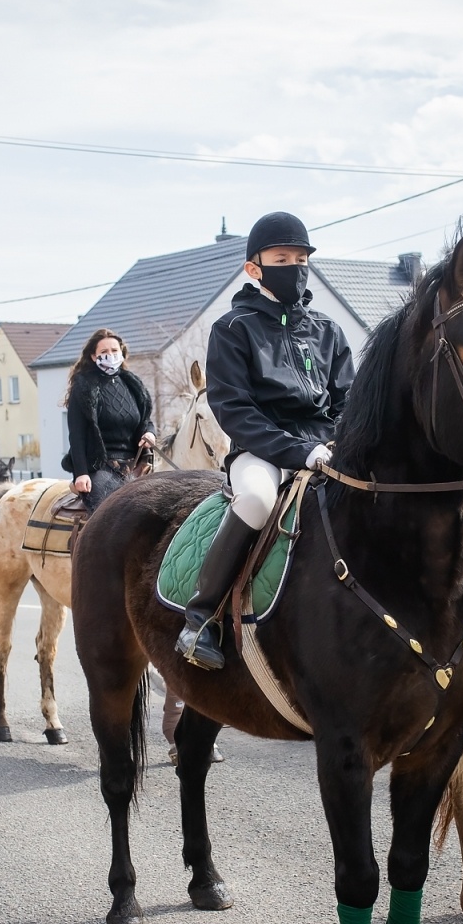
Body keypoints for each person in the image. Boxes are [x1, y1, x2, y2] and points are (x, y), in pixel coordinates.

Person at [175, 211, 354, 669]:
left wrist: (339, 441)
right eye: (282, 260)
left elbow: (348, 400)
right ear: (254, 268)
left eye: (301, 260)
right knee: (256, 501)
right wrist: (299, 451)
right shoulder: (232, 329)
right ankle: (201, 619)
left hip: (327, 448)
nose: (294, 267)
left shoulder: (328, 331)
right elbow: (235, 410)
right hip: (261, 452)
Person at [64, 328, 157, 512]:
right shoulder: (83, 386)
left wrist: (150, 433)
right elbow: (76, 435)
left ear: (122, 352)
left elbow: (146, 420)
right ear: (93, 356)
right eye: (104, 352)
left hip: (136, 465)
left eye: (114, 350)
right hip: (100, 467)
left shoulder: (132, 384)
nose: (111, 355)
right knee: (111, 513)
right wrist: (81, 473)